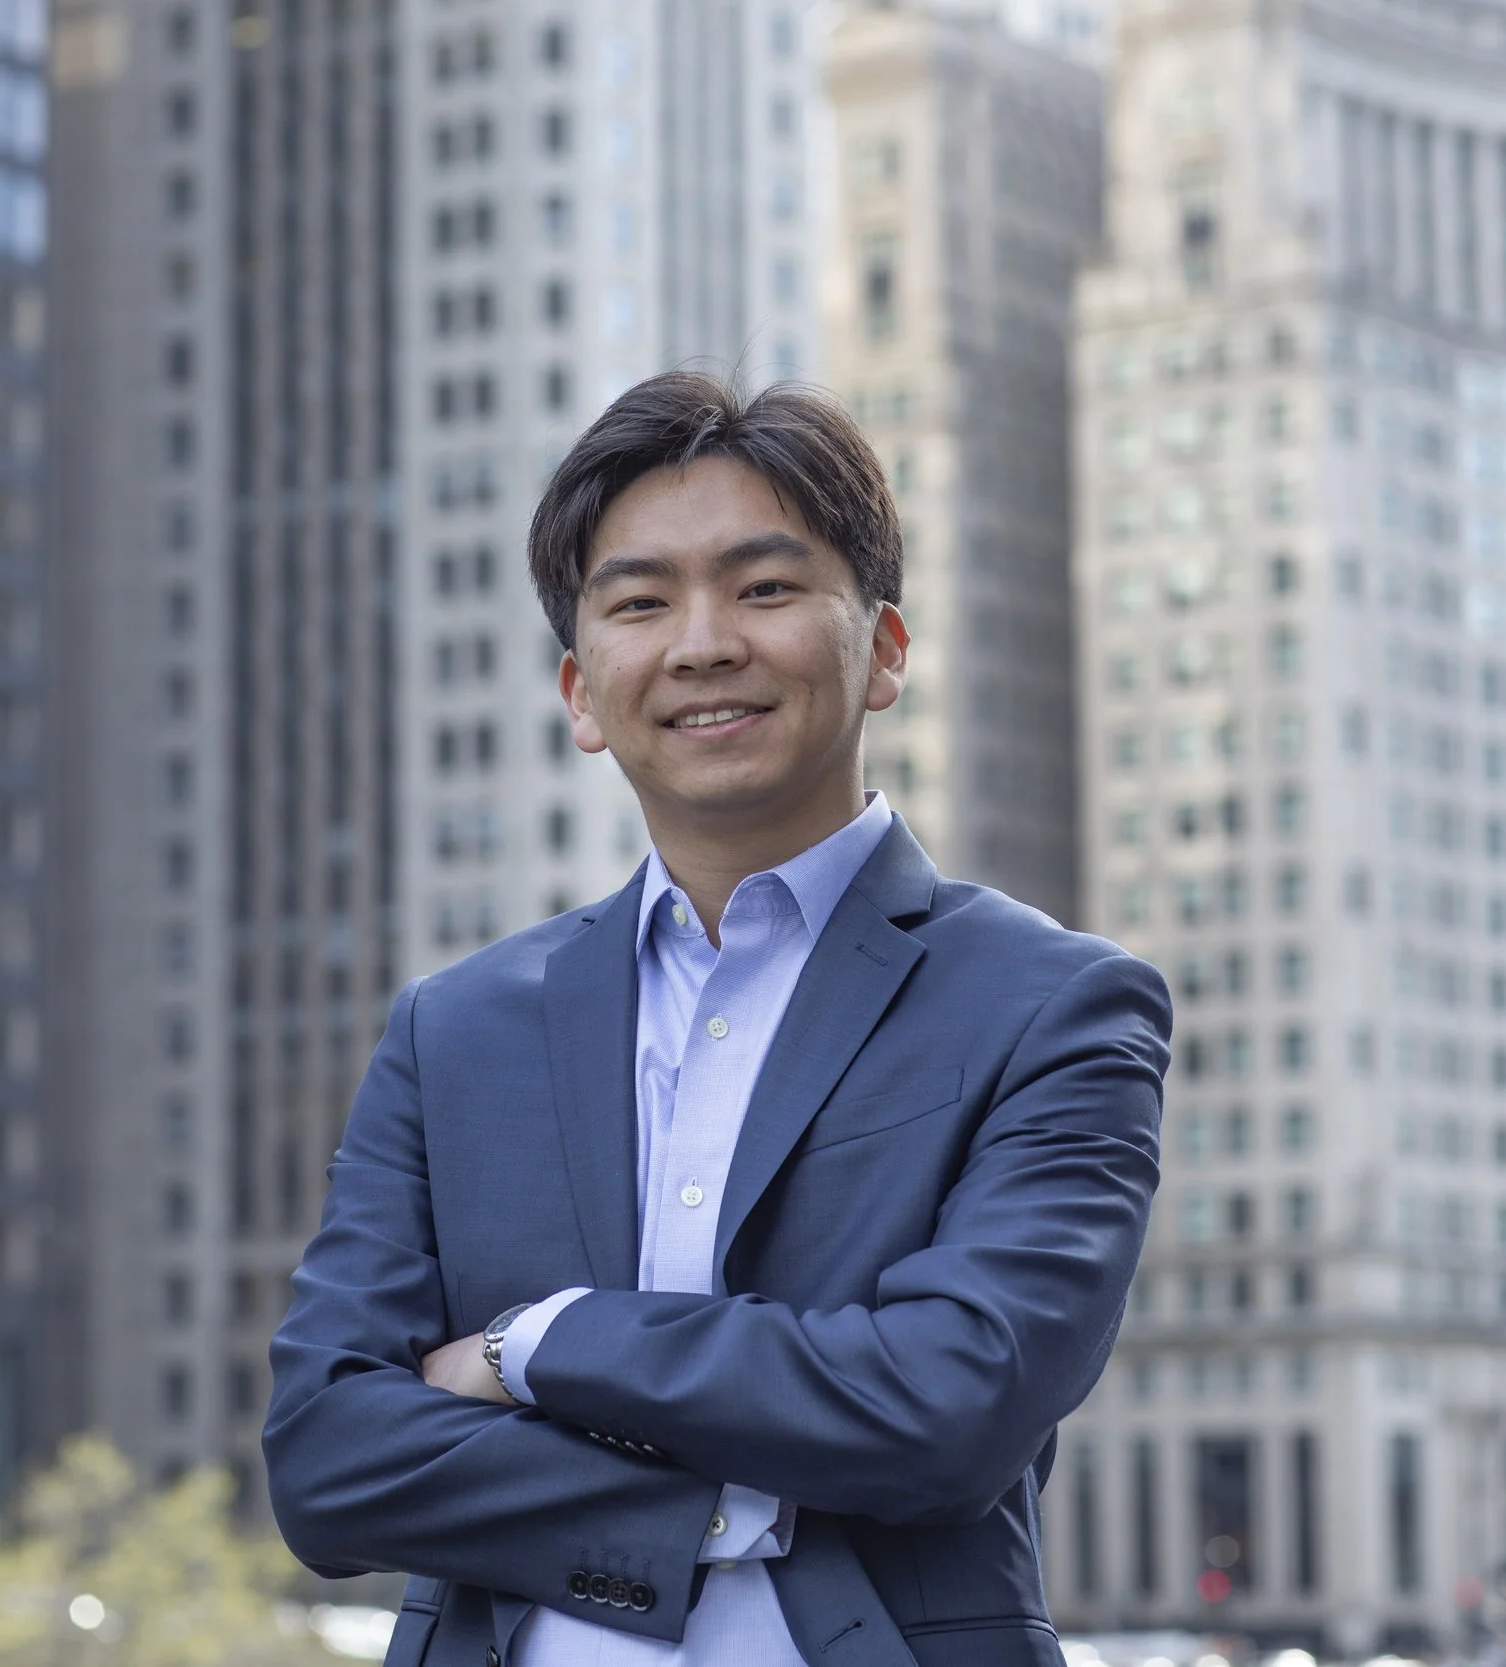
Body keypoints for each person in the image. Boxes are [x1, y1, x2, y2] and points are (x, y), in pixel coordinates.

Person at [265, 371, 1172, 1667]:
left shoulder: (1054, 1006)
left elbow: (946, 1407)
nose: (702, 643)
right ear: (583, 690)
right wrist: (714, 1505)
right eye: (641, 602)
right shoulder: (455, 1030)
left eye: (763, 587)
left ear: (887, 652)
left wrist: (542, 1343)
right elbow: (327, 1458)